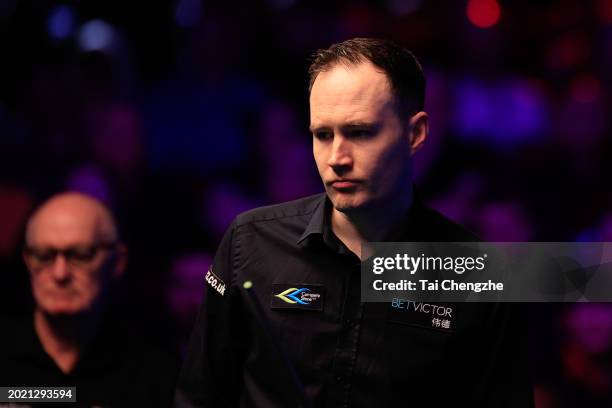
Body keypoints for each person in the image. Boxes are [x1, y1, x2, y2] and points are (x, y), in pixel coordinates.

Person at [176, 38, 534, 407]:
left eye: (360, 133)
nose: (337, 158)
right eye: (322, 135)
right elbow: (200, 396)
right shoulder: (248, 243)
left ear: (415, 134)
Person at [0, 192, 178, 407]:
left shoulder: (157, 368)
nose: (60, 273)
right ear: (27, 260)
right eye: (43, 255)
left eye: (81, 255)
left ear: (118, 261)